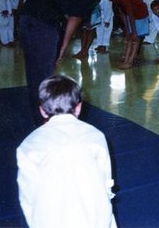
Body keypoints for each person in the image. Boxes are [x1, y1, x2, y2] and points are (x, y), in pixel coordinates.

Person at [20, 0, 120, 127]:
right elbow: (76, 16)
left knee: (35, 75)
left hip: (28, 19)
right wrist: (63, 46)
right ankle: (46, 125)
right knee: (44, 76)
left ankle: (39, 119)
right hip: (43, 24)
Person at [16, 75, 117, 228]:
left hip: (51, 219)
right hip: (96, 217)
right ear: (78, 107)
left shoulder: (28, 145)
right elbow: (106, 182)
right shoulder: (96, 135)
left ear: (42, 111)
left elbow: (27, 195)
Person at [106, 0, 149, 69]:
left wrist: (134, 32)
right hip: (131, 16)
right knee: (129, 38)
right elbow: (122, 13)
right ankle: (127, 58)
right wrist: (127, 30)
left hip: (140, 15)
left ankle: (130, 61)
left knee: (135, 39)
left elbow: (131, 15)